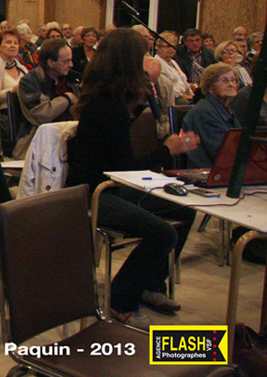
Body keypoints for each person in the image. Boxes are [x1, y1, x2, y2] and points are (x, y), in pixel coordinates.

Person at [65, 28, 200, 329]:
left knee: (184, 210)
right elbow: (125, 170)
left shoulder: (112, 97)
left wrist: (142, 99)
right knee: (163, 233)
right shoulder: (107, 105)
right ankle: (121, 298)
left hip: (111, 185)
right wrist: (167, 150)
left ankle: (151, 284)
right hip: (95, 193)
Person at [12, 38, 80, 159]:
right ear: (50, 63)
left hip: (71, 138)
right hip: (40, 142)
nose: (71, 64)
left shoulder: (74, 79)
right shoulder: (30, 81)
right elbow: (41, 115)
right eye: (66, 61)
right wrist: (67, 98)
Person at [182, 63, 241, 168]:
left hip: (227, 169)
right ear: (209, 87)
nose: (231, 84)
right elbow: (222, 152)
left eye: (233, 80)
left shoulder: (226, 109)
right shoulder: (205, 111)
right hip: (209, 173)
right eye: (224, 80)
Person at [154, 30, 193, 104]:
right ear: (158, 47)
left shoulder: (173, 62)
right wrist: (183, 96)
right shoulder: (156, 64)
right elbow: (165, 88)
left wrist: (190, 93)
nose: (171, 49)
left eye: (173, 46)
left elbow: (183, 81)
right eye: (167, 46)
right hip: (171, 100)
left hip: (185, 96)